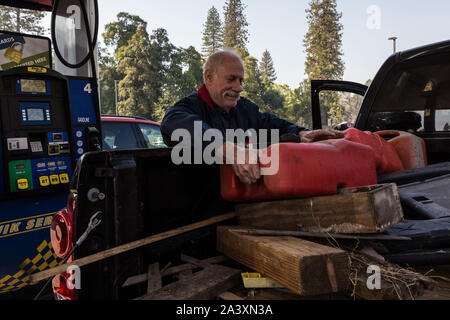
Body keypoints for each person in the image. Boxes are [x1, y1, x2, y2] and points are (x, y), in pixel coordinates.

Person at [161, 49, 345, 185]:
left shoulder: (245, 109)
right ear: (209, 77)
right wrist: (231, 150)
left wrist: (301, 133)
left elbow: (272, 123)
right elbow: (172, 121)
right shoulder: (191, 107)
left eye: (241, 81)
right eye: (231, 79)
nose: (239, 87)